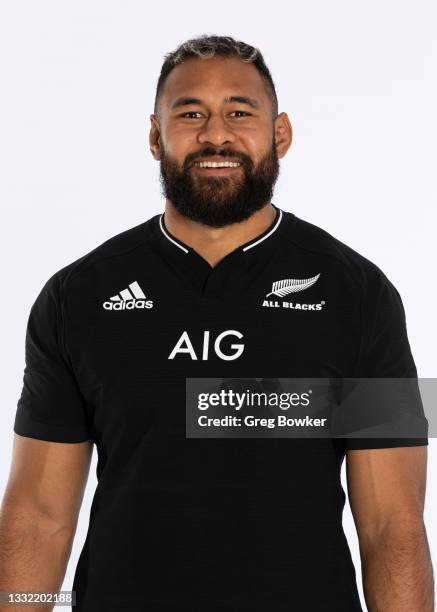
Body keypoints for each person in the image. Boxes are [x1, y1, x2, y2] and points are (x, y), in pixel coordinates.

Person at [0, 34, 433, 611]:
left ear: (279, 133)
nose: (215, 134)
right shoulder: (78, 296)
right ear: (156, 137)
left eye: (238, 111)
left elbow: (391, 525)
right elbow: (39, 517)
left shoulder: (357, 295)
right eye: (190, 113)